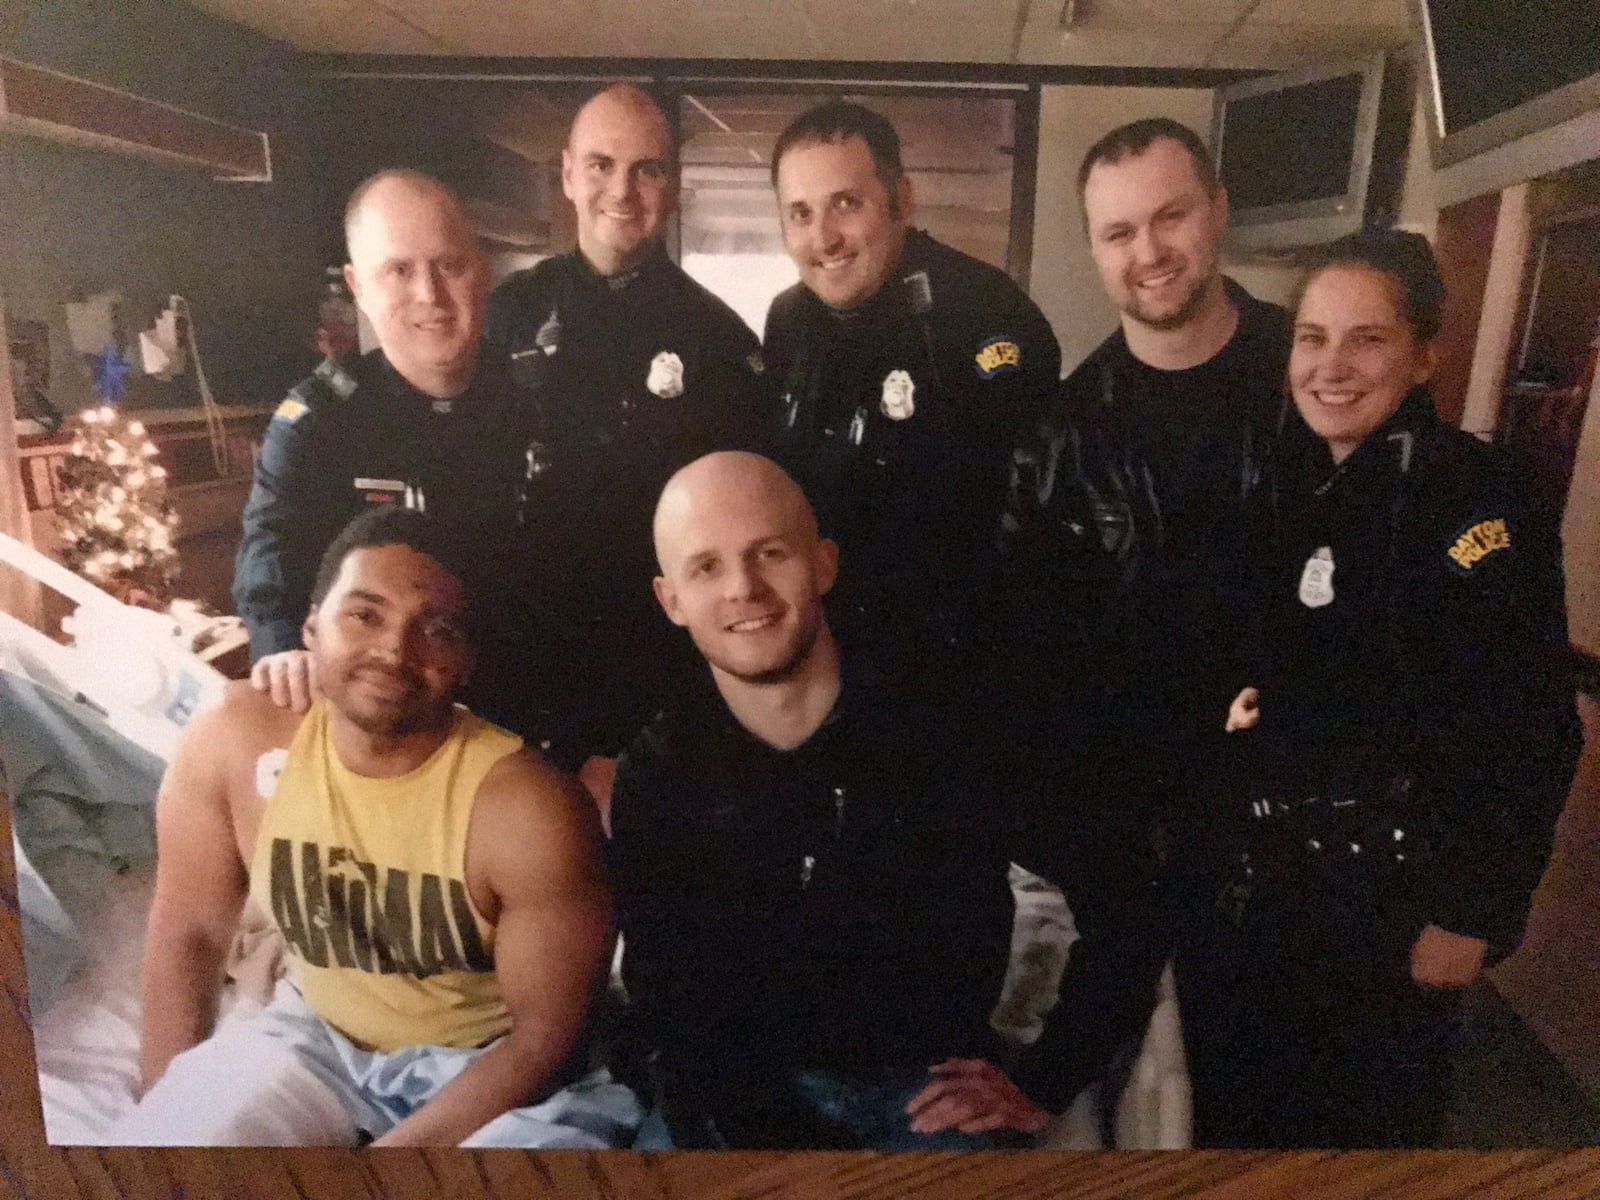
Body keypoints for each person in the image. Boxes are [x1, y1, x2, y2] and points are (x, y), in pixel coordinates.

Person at [1182, 230, 1581, 1148]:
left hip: (1393, 913)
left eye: (1366, 339)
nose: (1331, 367)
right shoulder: (1277, 476)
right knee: (1230, 1134)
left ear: (1424, 354)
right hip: (1257, 894)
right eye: (1312, 338)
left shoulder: (1479, 502)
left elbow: (1532, 731)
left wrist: (1471, 914)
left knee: (1362, 1147)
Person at [115, 508, 641, 1147]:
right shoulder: (234, 738)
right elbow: (190, 936)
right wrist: (162, 1126)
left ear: (466, 661)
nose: (394, 650)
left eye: (436, 630)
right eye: (364, 615)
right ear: (311, 629)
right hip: (317, 1036)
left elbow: (542, 1043)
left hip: (497, 1072)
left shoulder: (529, 807)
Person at [608, 451, 1089, 1150]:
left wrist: (1046, 1077)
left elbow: (1128, 892)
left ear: (824, 562)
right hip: (737, 1104)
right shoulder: (658, 772)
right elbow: (667, 1005)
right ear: (670, 599)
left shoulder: (949, 721)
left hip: (925, 1096)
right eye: (705, 567)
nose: (744, 587)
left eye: (769, 553)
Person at [998, 117, 1297, 1095]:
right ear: (1093, 248)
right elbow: (1037, 668)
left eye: (1169, 216)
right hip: (1131, 838)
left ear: (1216, 212)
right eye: (1119, 231)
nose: (1149, 252)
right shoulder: (1062, 434)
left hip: (1309, 840)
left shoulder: (1315, 381)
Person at [482, 83, 773, 772]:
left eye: (648, 168)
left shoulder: (718, 339)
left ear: (671, 185)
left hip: (658, 675)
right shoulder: (507, 315)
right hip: (519, 659)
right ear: (567, 174)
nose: (623, 188)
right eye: (601, 164)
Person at [762, 99, 1061, 667]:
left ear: (902, 200)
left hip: (959, 659)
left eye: (845, 204)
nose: (823, 237)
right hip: (824, 652)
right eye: (799, 213)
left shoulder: (985, 311)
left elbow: (1033, 528)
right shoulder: (787, 320)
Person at [232, 169, 530, 710]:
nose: (429, 294)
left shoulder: (542, 405)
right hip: (383, 718)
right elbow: (272, 551)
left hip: (520, 716)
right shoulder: (319, 422)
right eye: (398, 270)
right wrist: (279, 650)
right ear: (358, 286)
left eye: (450, 265)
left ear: (480, 272)